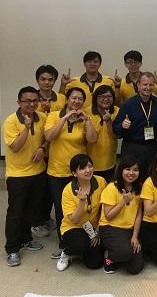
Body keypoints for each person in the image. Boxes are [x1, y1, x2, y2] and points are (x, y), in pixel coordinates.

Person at [45, 87, 98, 259]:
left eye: (80, 99)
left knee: (84, 205)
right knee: (61, 210)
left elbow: (92, 139)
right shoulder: (54, 115)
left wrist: (87, 120)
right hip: (57, 170)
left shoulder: (84, 119)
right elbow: (49, 137)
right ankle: (64, 245)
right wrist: (65, 118)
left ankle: (84, 237)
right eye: (74, 98)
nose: (76, 102)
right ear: (67, 100)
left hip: (79, 172)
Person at [3, 86, 47, 267]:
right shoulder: (11, 121)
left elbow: (48, 137)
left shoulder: (42, 117)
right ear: (19, 102)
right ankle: (12, 249)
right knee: (15, 213)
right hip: (17, 175)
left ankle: (26, 239)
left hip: (38, 172)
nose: (31, 103)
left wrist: (42, 148)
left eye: (34, 100)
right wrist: (26, 128)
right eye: (27, 100)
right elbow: (15, 147)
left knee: (31, 210)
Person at [56, 154, 107, 271]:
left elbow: (104, 207)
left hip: (93, 227)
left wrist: (99, 230)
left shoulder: (101, 181)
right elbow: (74, 219)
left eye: (90, 166)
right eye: (83, 168)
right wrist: (82, 201)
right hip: (73, 227)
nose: (88, 170)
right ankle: (67, 252)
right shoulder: (68, 190)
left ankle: (86, 250)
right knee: (80, 244)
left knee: (94, 264)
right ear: (74, 173)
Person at [112, 72, 157, 179]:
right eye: (145, 84)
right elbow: (115, 128)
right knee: (131, 180)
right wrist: (122, 126)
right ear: (138, 85)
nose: (148, 87)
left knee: (152, 179)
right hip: (132, 148)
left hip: (152, 148)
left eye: (151, 85)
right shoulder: (128, 104)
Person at [33, 65, 65, 237]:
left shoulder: (61, 98)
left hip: (56, 151)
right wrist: (41, 111)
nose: (46, 82)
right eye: (43, 79)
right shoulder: (32, 99)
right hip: (38, 150)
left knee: (52, 189)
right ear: (37, 80)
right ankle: (37, 221)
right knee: (40, 189)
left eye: (50, 79)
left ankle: (46, 218)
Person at [99, 155, 144, 275]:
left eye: (135, 170)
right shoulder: (111, 188)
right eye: (127, 169)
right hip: (110, 227)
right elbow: (108, 216)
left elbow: (139, 214)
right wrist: (123, 201)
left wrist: (135, 236)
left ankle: (121, 251)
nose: (131, 173)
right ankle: (108, 254)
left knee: (135, 268)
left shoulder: (139, 189)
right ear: (121, 170)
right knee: (125, 253)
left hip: (128, 230)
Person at [86, 85, 119, 182]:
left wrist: (109, 121)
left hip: (110, 162)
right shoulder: (86, 112)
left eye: (109, 97)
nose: (106, 99)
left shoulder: (117, 111)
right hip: (89, 164)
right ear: (95, 98)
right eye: (102, 96)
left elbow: (117, 135)